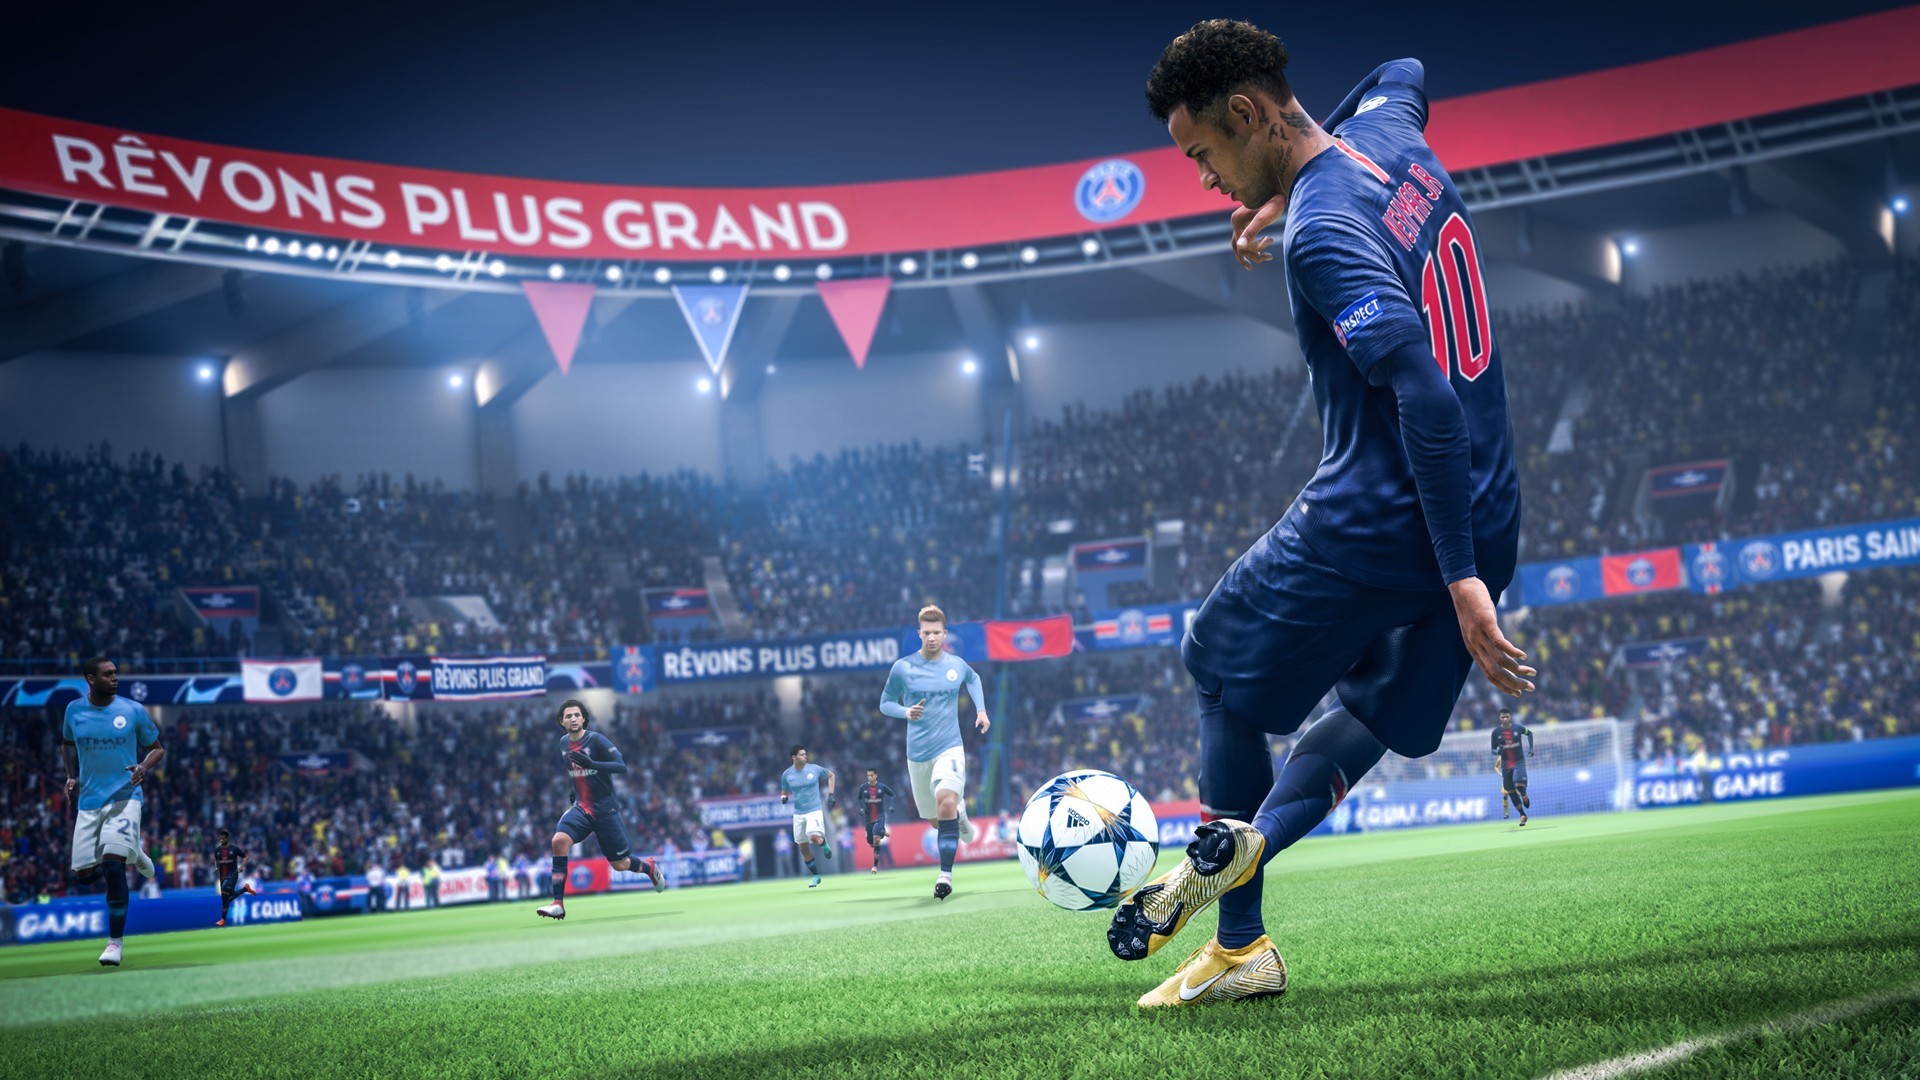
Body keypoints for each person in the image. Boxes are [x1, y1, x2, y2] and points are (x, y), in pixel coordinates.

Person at [1111, 21, 1533, 1008]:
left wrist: (1459, 581)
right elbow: (1404, 66)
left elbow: (1424, 396)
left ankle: (1240, 945)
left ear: (1247, 113)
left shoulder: (1325, 233)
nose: (1206, 181)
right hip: (1491, 505)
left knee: (1218, 670)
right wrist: (1285, 180)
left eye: (1204, 153)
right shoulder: (1390, 134)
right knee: (1372, 714)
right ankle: (1254, 840)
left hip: (1384, 516)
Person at [878, 606, 990, 900]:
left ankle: (945, 876)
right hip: (917, 755)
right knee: (936, 820)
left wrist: (980, 710)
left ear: (944, 634)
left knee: (945, 801)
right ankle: (959, 814)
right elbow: (885, 703)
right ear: (919, 634)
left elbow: (973, 679)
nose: (931, 637)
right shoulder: (902, 668)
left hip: (949, 747)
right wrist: (905, 712)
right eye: (926, 633)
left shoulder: (956, 665)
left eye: (936, 633)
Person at [61, 656, 164, 967]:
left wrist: (143, 767)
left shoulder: (132, 710)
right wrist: (70, 775)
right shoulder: (73, 710)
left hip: (125, 797)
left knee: (112, 866)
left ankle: (114, 943)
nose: (115, 678)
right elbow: (67, 743)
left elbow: (157, 748)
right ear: (90, 679)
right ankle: (135, 853)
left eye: (116, 673)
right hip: (89, 802)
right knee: (84, 876)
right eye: (108, 674)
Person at [537, 699, 664, 921]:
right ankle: (558, 903)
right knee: (558, 841)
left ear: (584, 718)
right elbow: (574, 773)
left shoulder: (596, 740)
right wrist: (574, 790)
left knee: (620, 864)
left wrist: (593, 764)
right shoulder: (563, 744)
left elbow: (621, 766)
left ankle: (649, 867)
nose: (573, 719)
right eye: (568, 716)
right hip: (581, 808)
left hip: (605, 810)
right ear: (562, 722)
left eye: (577, 715)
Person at [778, 745, 835, 888]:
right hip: (798, 813)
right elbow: (784, 791)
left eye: (805, 754)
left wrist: (831, 794)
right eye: (802, 755)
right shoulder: (787, 775)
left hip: (814, 810)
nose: (805, 756)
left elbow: (831, 775)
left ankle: (823, 842)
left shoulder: (814, 769)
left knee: (813, 837)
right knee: (803, 848)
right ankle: (815, 876)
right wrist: (783, 797)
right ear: (794, 757)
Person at [1492, 710, 1535, 825]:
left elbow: (1530, 733)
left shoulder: (1518, 728)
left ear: (1510, 717)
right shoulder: (1495, 732)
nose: (1505, 719)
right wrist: (1498, 752)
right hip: (1505, 766)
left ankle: (1523, 794)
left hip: (1518, 762)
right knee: (1510, 792)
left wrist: (1531, 749)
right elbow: (1493, 750)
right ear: (1500, 718)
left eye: (1506, 717)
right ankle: (1523, 815)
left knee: (1518, 783)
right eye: (1503, 717)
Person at [853, 768, 900, 873]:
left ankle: (875, 866)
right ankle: (882, 832)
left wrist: (892, 806)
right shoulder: (863, 787)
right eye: (868, 776)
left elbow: (893, 794)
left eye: (871, 775)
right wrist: (861, 808)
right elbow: (859, 798)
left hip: (880, 816)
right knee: (871, 843)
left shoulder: (882, 787)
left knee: (876, 839)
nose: (869, 777)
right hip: (868, 818)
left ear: (876, 775)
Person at [211, 829, 257, 926]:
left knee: (225, 890)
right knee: (226, 899)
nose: (221, 840)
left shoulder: (234, 849)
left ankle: (223, 920)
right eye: (220, 838)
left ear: (227, 838)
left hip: (233, 875)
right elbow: (216, 861)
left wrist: (242, 866)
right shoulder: (217, 850)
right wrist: (215, 868)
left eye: (223, 838)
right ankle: (245, 889)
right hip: (222, 877)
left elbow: (245, 856)